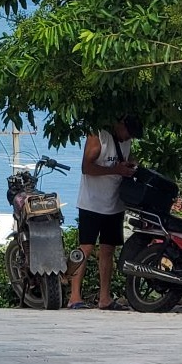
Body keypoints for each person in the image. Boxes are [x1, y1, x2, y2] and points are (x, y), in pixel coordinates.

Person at [68, 115, 141, 311]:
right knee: (85, 248)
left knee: (108, 250)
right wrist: (116, 170)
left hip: (115, 203)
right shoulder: (98, 136)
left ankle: (105, 298)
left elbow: (122, 162)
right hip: (91, 203)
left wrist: (128, 168)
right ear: (121, 125)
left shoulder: (127, 141)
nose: (128, 139)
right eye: (128, 133)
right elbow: (86, 167)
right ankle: (74, 296)